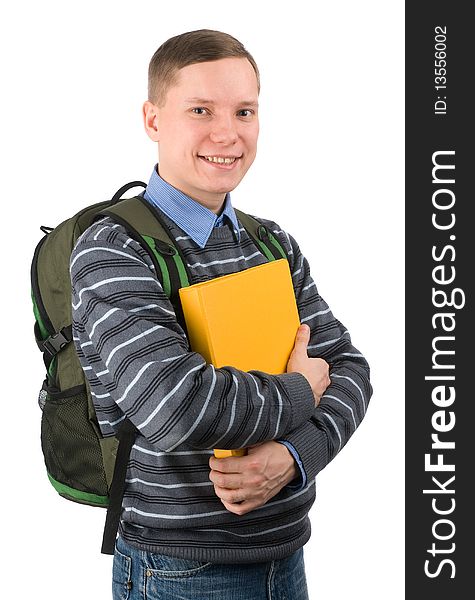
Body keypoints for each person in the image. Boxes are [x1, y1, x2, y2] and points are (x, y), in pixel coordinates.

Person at [70, 29, 372, 600]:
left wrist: (294, 455)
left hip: (286, 556)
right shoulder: (114, 248)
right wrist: (302, 392)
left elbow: (351, 370)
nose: (227, 133)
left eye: (245, 111)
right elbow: (176, 408)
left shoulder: (271, 243)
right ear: (154, 120)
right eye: (200, 110)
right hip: (179, 572)